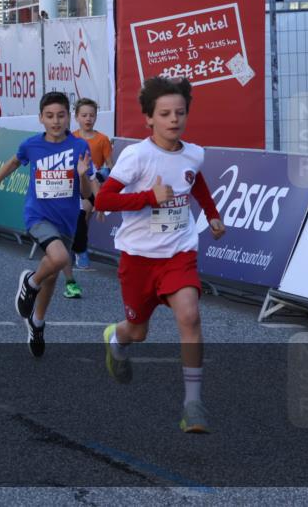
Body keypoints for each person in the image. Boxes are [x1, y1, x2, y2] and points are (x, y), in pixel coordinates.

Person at [94, 76, 224, 434]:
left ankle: (193, 404)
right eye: (165, 113)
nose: (173, 120)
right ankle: (115, 340)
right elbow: (104, 200)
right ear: (149, 118)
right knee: (137, 332)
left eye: (179, 112)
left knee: (190, 315)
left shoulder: (194, 152)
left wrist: (211, 214)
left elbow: (194, 179)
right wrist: (149, 198)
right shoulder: (137, 155)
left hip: (179, 251)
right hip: (138, 257)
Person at [0, 92, 93, 358]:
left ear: (69, 117)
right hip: (37, 216)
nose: (55, 121)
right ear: (41, 118)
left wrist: (82, 176)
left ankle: (37, 322)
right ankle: (30, 282)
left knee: (53, 273)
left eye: (61, 115)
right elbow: (12, 162)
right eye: (50, 116)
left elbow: (86, 193)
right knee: (59, 257)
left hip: (65, 219)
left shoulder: (79, 148)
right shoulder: (31, 145)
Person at [69, 98, 113, 289]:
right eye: (84, 115)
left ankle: (81, 247)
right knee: (80, 214)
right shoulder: (71, 137)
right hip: (73, 185)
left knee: (86, 211)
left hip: (93, 182)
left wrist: (104, 173)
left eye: (92, 115)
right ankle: (77, 247)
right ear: (77, 117)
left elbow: (110, 165)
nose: (88, 119)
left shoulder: (102, 139)